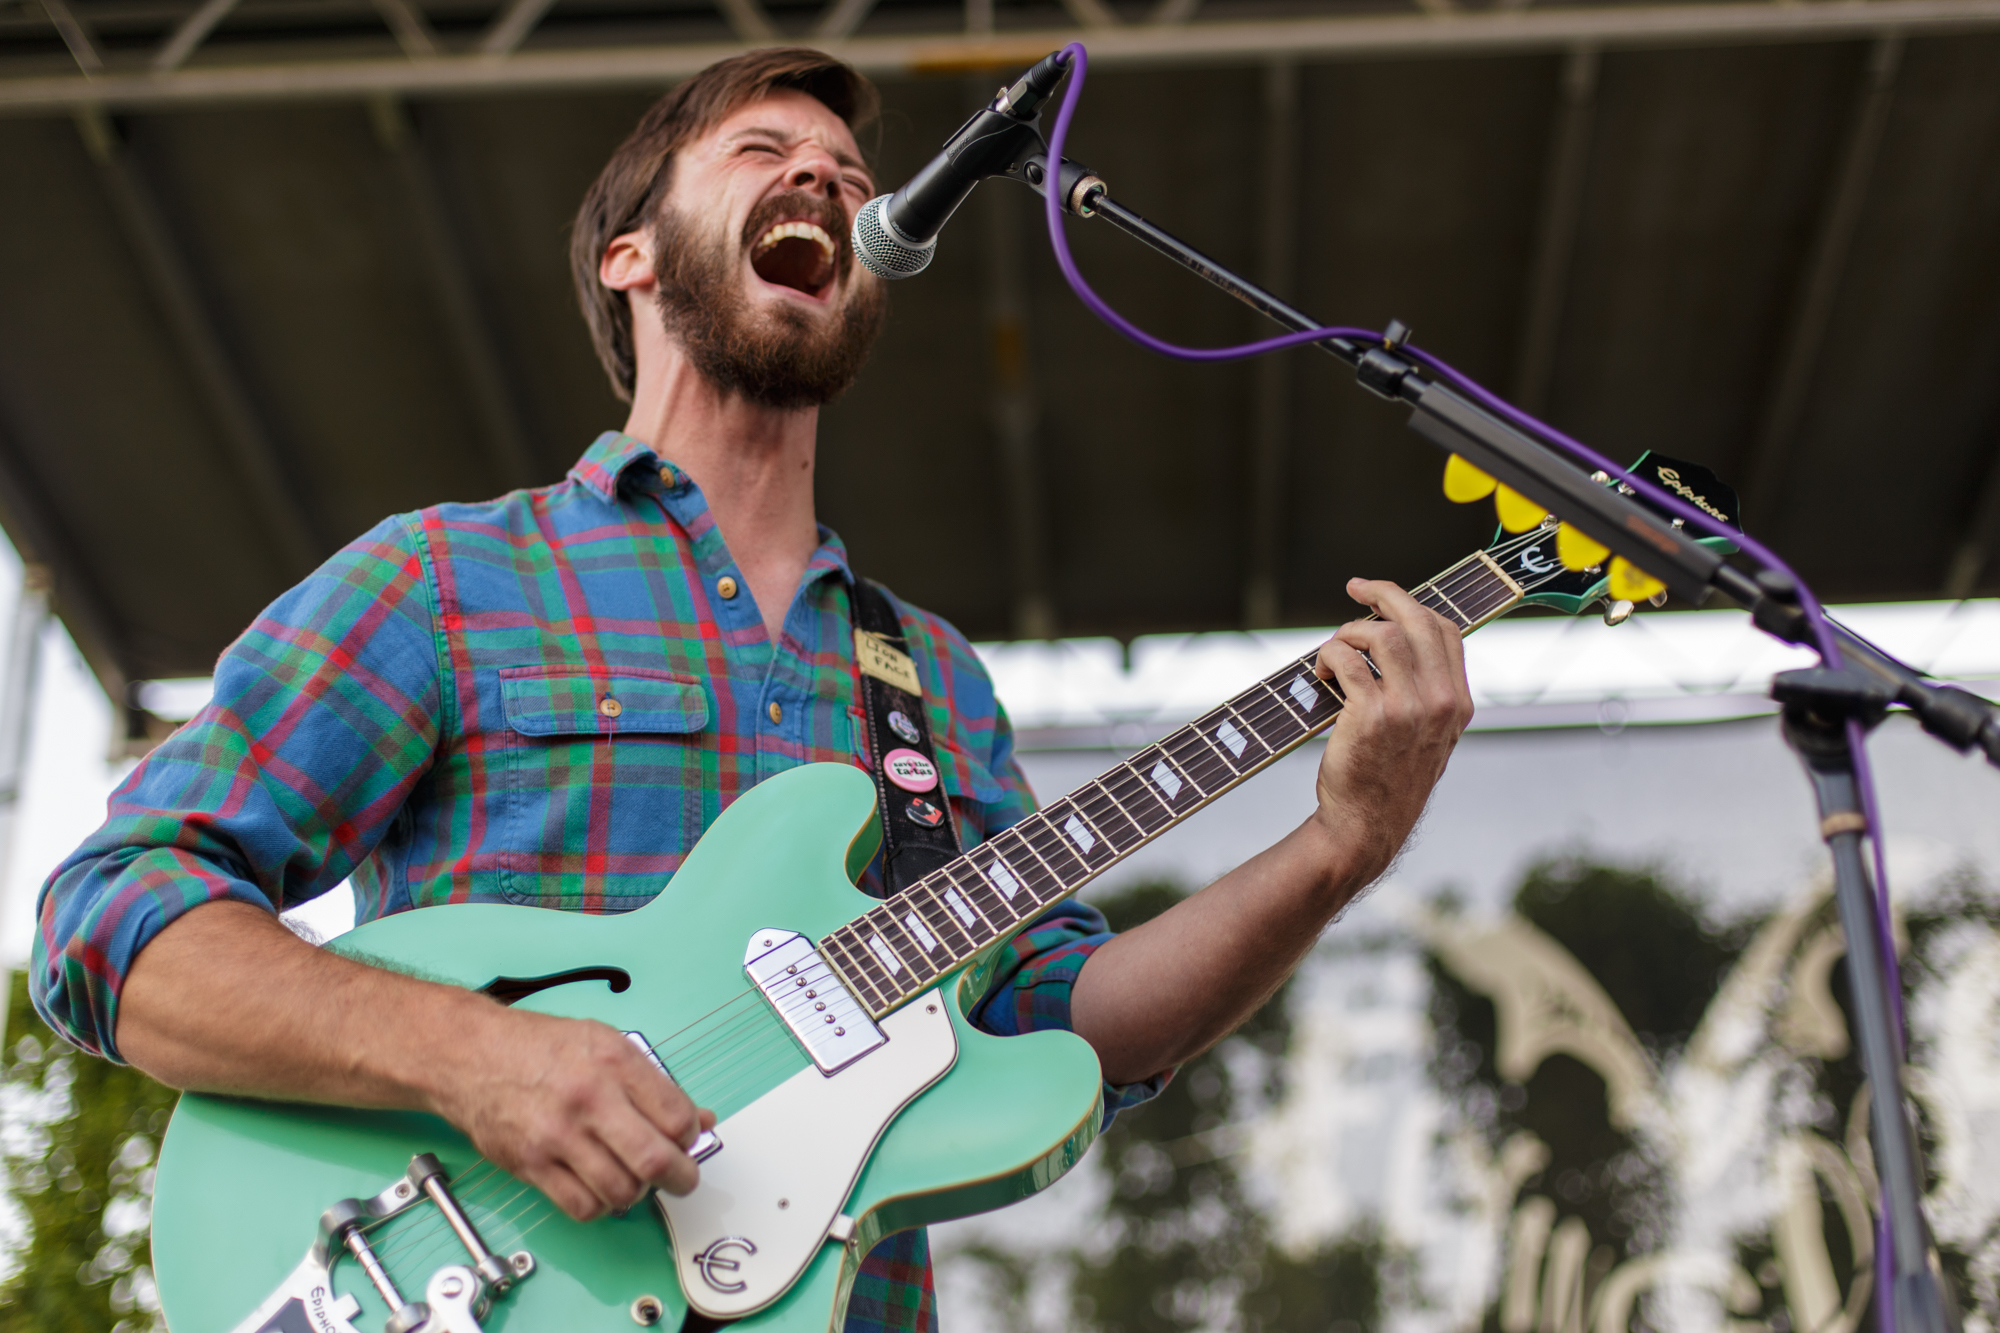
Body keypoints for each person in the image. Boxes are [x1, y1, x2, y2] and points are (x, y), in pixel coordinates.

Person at [32, 47, 1473, 1333]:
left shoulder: (929, 680)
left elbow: (1062, 1023)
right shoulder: (452, 578)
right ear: (630, 256)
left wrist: (1340, 845)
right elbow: (114, 918)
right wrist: (478, 1057)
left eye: (848, 174)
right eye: (763, 154)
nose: (828, 181)